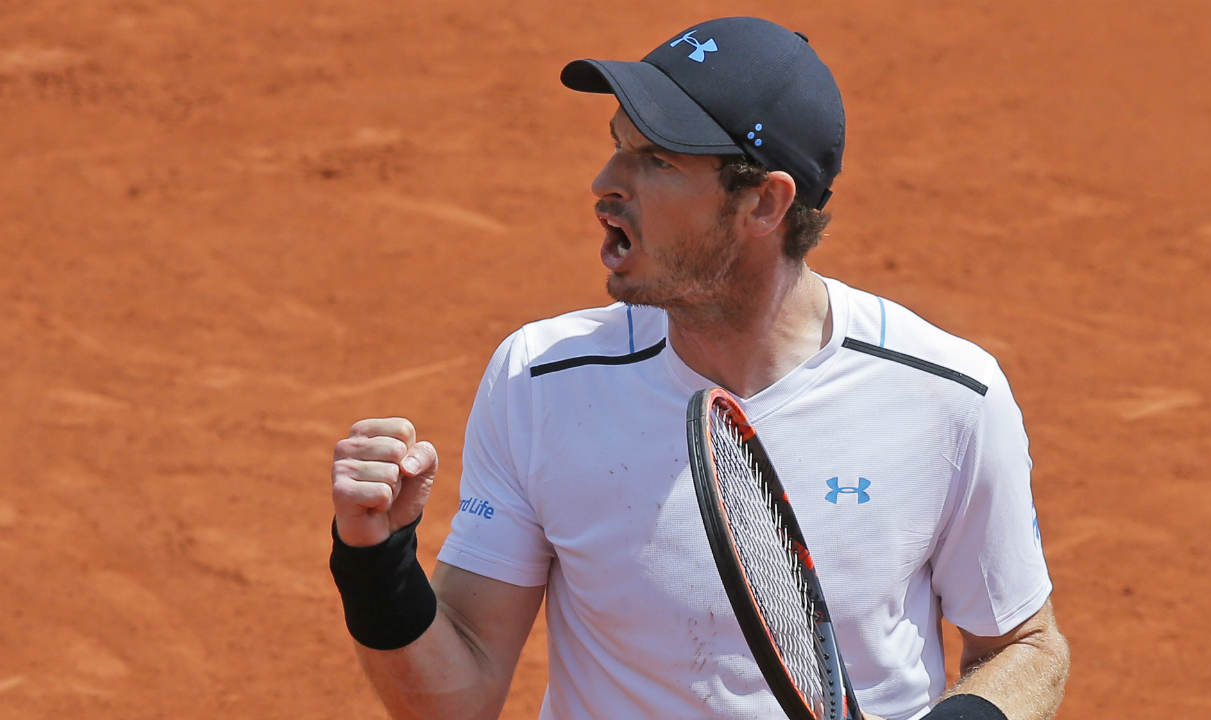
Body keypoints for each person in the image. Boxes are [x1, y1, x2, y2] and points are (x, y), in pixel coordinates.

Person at [328, 16, 1069, 720]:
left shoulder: (947, 396)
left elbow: (1027, 645)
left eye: (656, 161)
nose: (605, 183)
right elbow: (454, 699)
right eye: (618, 145)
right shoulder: (542, 380)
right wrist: (376, 566)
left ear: (764, 203)